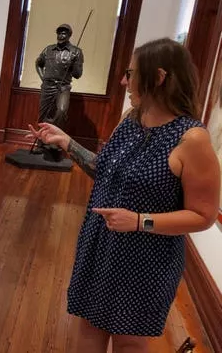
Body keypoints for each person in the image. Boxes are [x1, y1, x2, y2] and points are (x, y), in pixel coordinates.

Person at [27, 37, 220, 352]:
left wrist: (140, 221)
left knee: (129, 340)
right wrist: (67, 142)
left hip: (145, 259)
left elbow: (203, 215)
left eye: (131, 73)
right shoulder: (130, 121)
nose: (123, 81)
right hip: (100, 243)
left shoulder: (191, 139)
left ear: (158, 78)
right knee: (88, 324)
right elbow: (102, 170)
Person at [33, 24, 84, 156]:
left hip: (63, 87)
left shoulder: (76, 51)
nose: (61, 35)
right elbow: (38, 63)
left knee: (61, 111)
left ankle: (54, 142)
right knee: (44, 115)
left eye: (64, 33)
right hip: (47, 87)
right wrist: (43, 78)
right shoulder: (48, 50)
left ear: (69, 35)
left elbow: (78, 75)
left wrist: (75, 63)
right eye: (59, 33)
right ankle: (41, 143)